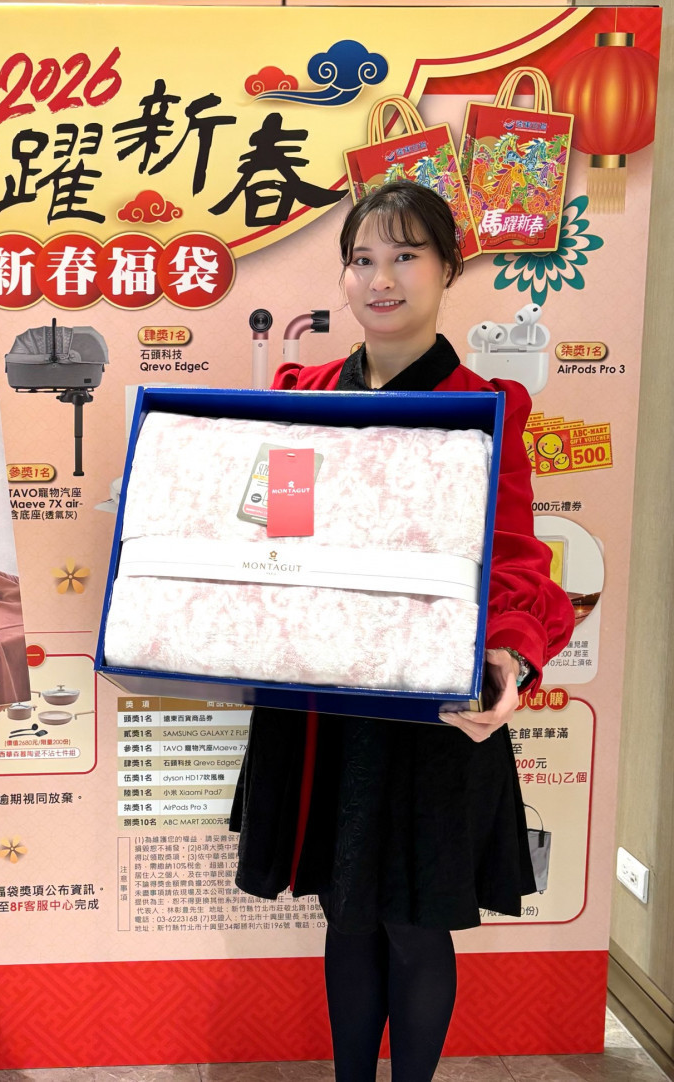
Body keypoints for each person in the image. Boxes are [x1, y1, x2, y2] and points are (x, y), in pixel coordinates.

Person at [229, 182, 574, 1082]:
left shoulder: (483, 404)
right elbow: (271, 534)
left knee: (416, 924)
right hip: (324, 701)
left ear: (448, 269)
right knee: (346, 914)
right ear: (345, 277)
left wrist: (508, 658)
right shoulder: (304, 394)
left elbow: (514, 560)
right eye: (363, 259)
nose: (381, 279)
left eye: (406, 256)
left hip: (431, 705)